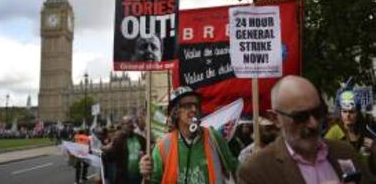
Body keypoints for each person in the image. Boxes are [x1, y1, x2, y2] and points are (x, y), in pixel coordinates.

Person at [237, 75, 376, 184]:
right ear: (276, 119)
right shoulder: (256, 171)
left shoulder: (345, 152)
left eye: (318, 112)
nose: (313, 124)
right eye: (300, 117)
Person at [139, 86, 238, 183]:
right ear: (175, 112)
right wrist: (146, 175)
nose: (194, 109)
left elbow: (235, 169)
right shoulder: (163, 146)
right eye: (187, 105)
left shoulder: (213, 138)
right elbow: (153, 181)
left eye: (197, 105)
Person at [325, 89, 376, 175]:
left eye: (352, 112)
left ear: (358, 113)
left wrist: (373, 148)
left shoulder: (365, 132)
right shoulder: (334, 132)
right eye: (344, 111)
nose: (348, 115)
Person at [101, 115, 146, 184]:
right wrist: (103, 148)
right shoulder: (118, 139)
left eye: (131, 122)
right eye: (127, 123)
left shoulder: (140, 139)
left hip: (138, 177)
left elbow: (146, 152)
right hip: (124, 178)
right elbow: (111, 156)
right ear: (122, 125)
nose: (130, 125)